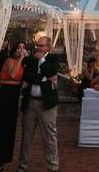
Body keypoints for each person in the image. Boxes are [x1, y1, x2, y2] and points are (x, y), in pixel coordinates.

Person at [16, 35, 60, 172]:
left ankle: (53, 167)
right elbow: (27, 76)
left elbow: (52, 71)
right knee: (26, 136)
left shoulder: (53, 59)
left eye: (41, 46)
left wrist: (41, 60)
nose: (38, 48)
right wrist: (45, 78)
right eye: (37, 46)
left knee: (50, 137)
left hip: (47, 104)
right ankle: (22, 167)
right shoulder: (30, 60)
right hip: (31, 103)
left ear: (48, 47)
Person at [0, 41, 27, 170]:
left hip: (14, 96)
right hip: (5, 96)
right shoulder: (10, 61)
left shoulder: (23, 64)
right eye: (19, 48)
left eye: (23, 48)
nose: (21, 50)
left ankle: (3, 162)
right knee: (1, 128)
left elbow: (22, 80)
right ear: (15, 50)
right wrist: (21, 58)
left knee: (9, 130)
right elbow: (13, 74)